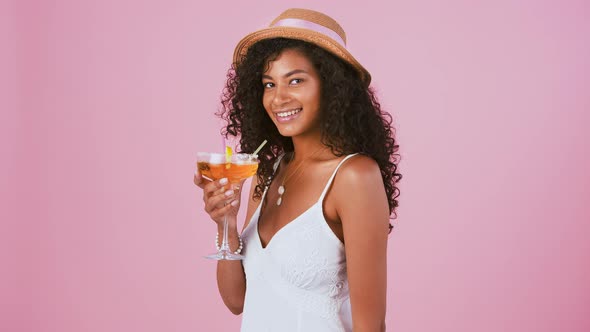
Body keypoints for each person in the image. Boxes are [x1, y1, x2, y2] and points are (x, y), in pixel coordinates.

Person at [194, 8, 401, 332]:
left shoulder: (354, 177)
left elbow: (370, 326)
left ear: (332, 87)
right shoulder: (267, 172)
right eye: (268, 84)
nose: (279, 98)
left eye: (295, 80)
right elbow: (237, 300)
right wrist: (226, 223)